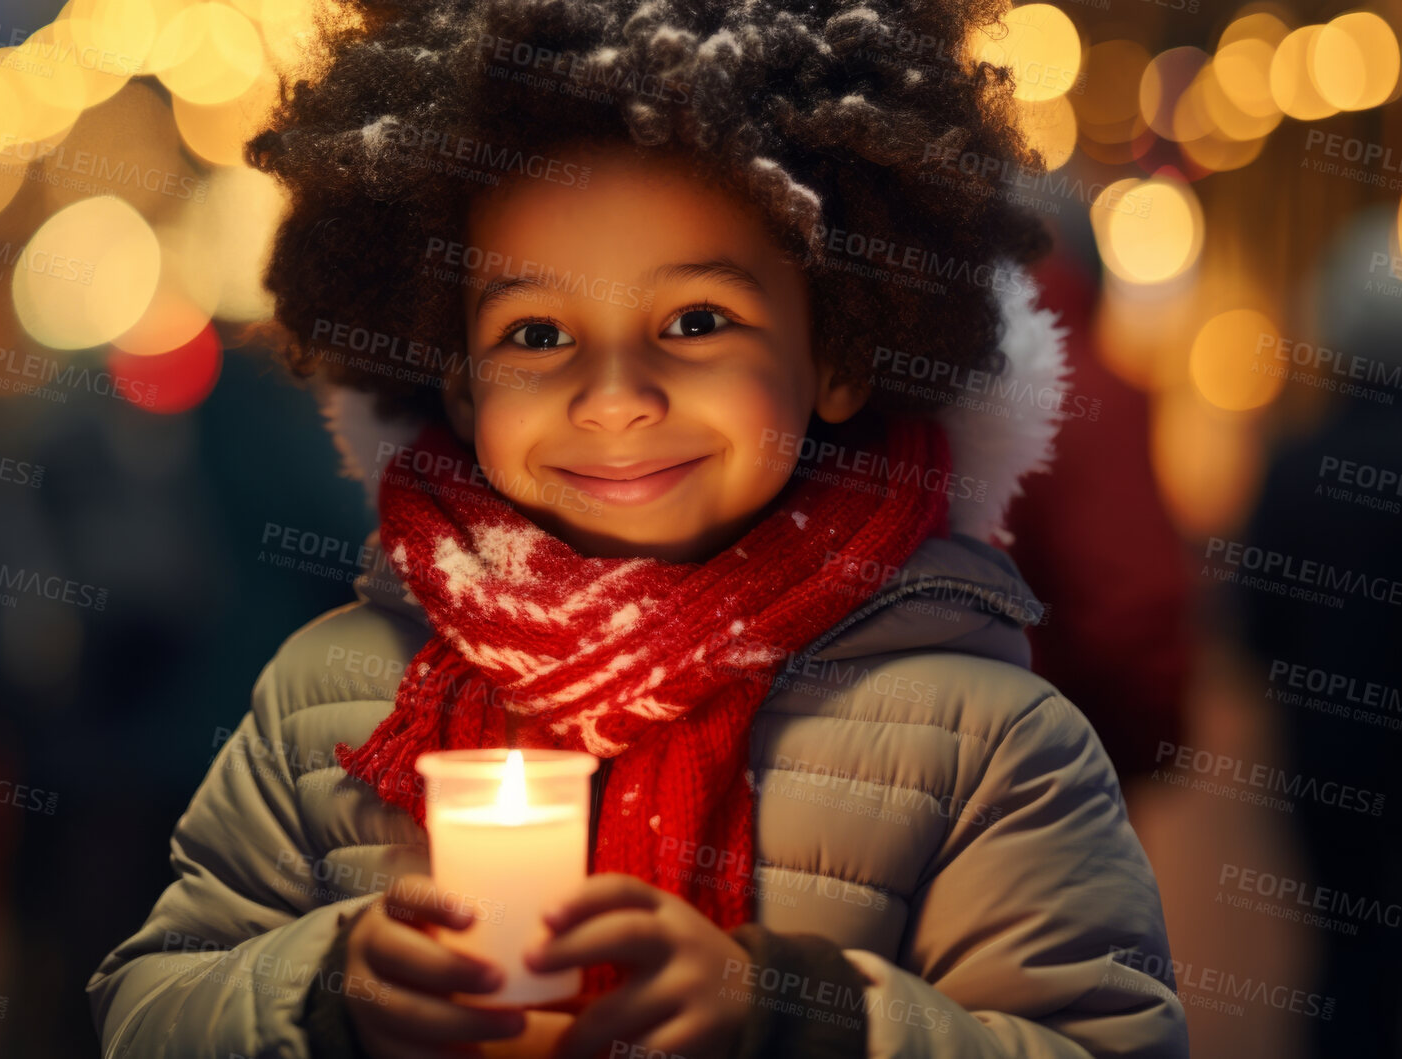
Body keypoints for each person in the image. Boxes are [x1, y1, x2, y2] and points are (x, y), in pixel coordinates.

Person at [90, 3, 1187, 1057]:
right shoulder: (327, 699)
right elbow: (148, 1005)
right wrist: (329, 993)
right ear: (456, 380)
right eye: (535, 331)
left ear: (843, 353)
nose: (613, 396)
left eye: (695, 321)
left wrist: (793, 1018)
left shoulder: (984, 744)